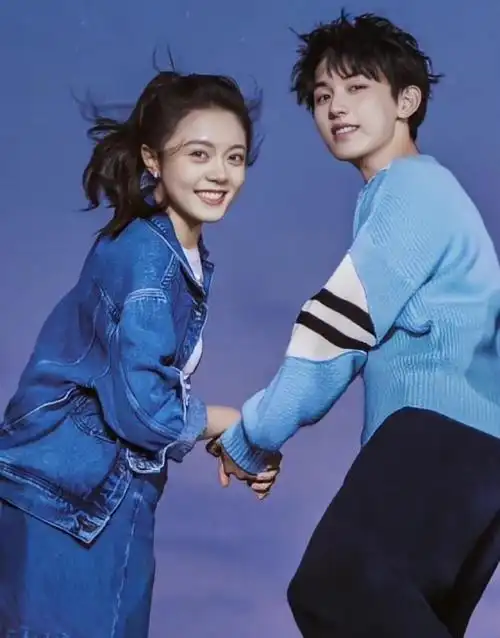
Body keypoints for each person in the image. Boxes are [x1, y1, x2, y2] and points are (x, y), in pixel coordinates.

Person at [208, 12, 500, 638]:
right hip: (478, 460)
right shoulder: (422, 197)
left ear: (406, 102)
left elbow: (335, 330)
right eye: (322, 96)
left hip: (437, 439)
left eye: (358, 87)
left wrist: (256, 432)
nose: (336, 107)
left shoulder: (414, 188)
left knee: (331, 589)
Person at [0, 69, 275, 637]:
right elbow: (142, 405)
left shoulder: (169, 252)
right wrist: (228, 422)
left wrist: (218, 437)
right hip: (71, 504)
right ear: (153, 158)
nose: (220, 173)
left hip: (75, 495)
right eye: (199, 154)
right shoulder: (149, 261)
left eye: (235, 157)